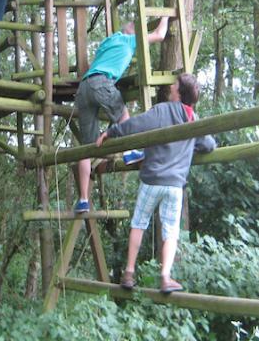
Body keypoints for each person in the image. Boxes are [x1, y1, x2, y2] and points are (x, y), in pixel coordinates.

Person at [95, 73, 216, 294]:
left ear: (178, 92)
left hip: (152, 180)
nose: (171, 86)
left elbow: (136, 125)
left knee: (139, 223)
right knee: (171, 230)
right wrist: (190, 146)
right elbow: (209, 145)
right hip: (174, 185)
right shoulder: (193, 119)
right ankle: (165, 277)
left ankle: (129, 272)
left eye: (175, 84)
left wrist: (111, 132)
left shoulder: (162, 110)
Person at [74, 17, 169, 213]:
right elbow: (160, 35)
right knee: (124, 116)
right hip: (101, 82)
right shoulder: (129, 40)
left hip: (83, 88)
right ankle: (129, 152)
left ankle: (83, 200)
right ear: (133, 31)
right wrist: (166, 17)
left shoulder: (108, 41)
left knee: (85, 148)